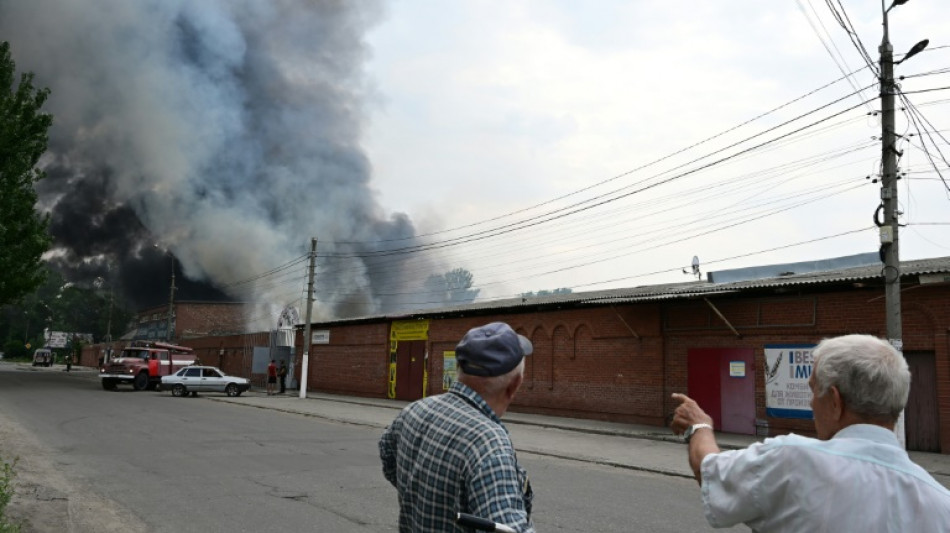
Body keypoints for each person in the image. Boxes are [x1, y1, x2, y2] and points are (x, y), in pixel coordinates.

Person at [670, 334, 950, 531]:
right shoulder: (941, 504)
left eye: (814, 391)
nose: (811, 403)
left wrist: (700, 425)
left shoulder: (792, 461)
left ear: (836, 401)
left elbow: (710, 469)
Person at [379, 322, 535, 532]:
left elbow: (388, 457)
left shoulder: (414, 410)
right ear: (515, 385)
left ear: (459, 368)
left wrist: (425, 498)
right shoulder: (489, 445)